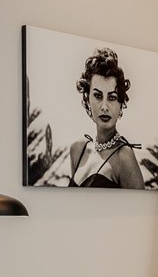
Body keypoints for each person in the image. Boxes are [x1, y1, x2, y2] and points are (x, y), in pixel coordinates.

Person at [43, 46, 145, 188]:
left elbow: (139, 209)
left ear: (121, 103)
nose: (104, 106)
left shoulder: (124, 157)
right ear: (87, 99)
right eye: (97, 96)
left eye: (112, 97)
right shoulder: (78, 149)